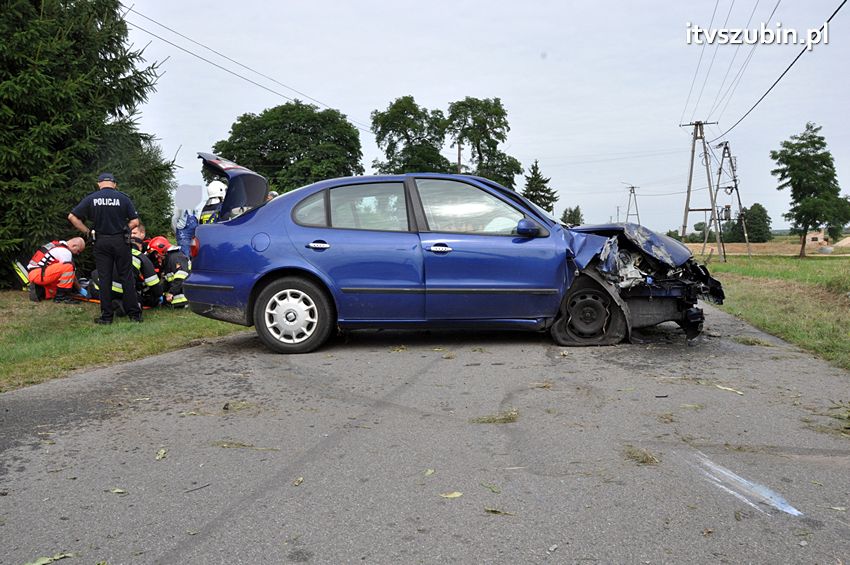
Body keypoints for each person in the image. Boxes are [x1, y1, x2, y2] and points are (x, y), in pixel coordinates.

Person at [68, 172, 142, 325]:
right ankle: (135, 315)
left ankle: (107, 317)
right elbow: (135, 221)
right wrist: (124, 228)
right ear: (114, 184)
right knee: (126, 277)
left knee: (105, 279)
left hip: (101, 241)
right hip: (120, 241)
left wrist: (87, 231)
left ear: (99, 184)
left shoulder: (91, 198)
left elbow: (72, 217)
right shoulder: (123, 198)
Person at [26, 237, 86, 302]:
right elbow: (70, 272)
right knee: (69, 267)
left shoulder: (57, 244)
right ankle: (62, 297)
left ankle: (41, 290)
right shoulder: (65, 252)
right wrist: (79, 289)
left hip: (36, 273)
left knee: (56, 287)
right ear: (74, 245)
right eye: (78, 251)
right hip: (38, 274)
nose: (77, 254)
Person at [147, 236, 190, 307]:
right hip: (178, 291)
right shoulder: (168, 259)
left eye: (156, 253)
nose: (156, 256)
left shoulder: (175, 257)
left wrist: (171, 292)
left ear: (162, 249)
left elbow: (181, 277)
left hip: (185, 295)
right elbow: (167, 281)